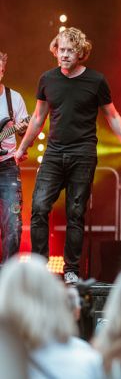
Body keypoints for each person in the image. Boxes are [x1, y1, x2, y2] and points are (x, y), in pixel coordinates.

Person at [14, 27, 121, 284]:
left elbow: (113, 117)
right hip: (53, 153)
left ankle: (71, 269)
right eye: (61, 50)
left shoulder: (96, 81)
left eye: (70, 51)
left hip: (82, 154)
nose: (64, 55)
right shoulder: (47, 79)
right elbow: (38, 118)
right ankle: (39, 268)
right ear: (55, 51)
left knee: (75, 213)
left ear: (81, 53)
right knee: (39, 208)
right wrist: (22, 147)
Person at [0, 52, 29, 262]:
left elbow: (27, 131)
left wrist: (26, 139)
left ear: (2, 72)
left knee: (13, 223)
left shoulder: (14, 98)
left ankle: (8, 271)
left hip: (7, 166)